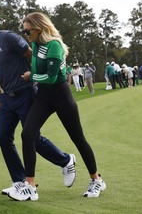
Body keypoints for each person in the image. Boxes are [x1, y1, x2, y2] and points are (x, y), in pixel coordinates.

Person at [0, 9, 75, 197]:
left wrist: (35, 78)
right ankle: (19, 182)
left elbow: (32, 55)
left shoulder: (8, 37)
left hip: (25, 93)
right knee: (3, 138)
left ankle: (65, 160)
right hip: (7, 99)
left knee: (33, 138)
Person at [9, 12, 106, 201]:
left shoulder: (54, 45)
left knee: (78, 139)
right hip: (44, 96)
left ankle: (96, 179)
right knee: (27, 134)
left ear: (40, 28)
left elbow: (51, 77)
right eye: (24, 31)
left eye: (27, 31)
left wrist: (32, 77)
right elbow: (40, 72)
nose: (25, 34)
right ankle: (30, 185)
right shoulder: (35, 45)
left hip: (61, 95)